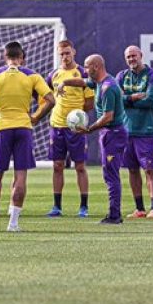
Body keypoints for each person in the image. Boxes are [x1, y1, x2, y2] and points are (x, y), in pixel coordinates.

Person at [0, 41, 54, 232]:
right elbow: (51, 100)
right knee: (20, 175)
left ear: (4, 56)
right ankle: (13, 223)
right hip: (24, 127)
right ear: (22, 58)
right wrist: (35, 118)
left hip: (2, 127)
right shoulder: (31, 75)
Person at [60, 55, 127, 224]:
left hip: (113, 133)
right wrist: (65, 82)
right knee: (109, 173)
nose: (84, 70)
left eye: (87, 66)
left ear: (96, 67)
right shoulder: (97, 82)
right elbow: (82, 82)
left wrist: (89, 129)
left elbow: (108, 117)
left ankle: (114, 215)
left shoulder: (108, 87)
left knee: (111, 174)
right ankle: (114, 213)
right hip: (108, 133)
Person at [44, 40, 94, 218]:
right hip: (57, 126)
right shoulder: (53, 75)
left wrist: (77, 116)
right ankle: (57, 206)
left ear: (74, 52)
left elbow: (89, 103)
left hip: (76, 128)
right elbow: (47, 97)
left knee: (80, 166)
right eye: (62, 54)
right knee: (57, 166)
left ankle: (84, 206)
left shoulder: (82, 73)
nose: (65, 57)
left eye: (67, 53)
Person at [115, 45, 153, 219]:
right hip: (126, 129)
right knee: (132, 170)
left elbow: (151, 100)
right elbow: (117, 99)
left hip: (145, 129)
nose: (131, 59)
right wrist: (133, 97)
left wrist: (126, 99)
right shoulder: (121, 76)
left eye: (134, 56)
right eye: (128, 57)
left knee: (149, 169)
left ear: (141, 55)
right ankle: (140, 208)